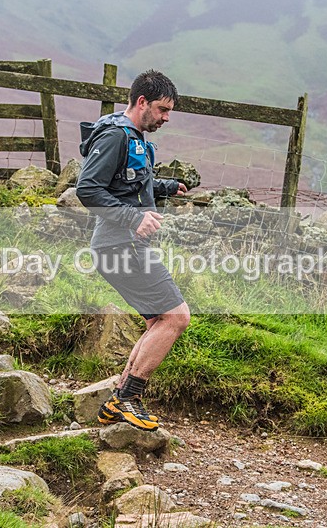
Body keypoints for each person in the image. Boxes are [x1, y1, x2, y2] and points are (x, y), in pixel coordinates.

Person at [76, 70, 191, 432]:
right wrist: (132, 219)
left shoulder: (133, 137)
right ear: (141, 102)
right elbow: (88, 189)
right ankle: (128, 399)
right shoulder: (114, 136)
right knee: (176, 318)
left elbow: (129, 183)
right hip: (119, 244)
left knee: (157, 321)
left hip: (120, 245)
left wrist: (167, 186)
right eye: (162, 109)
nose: (166, 118)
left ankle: (119, 398)